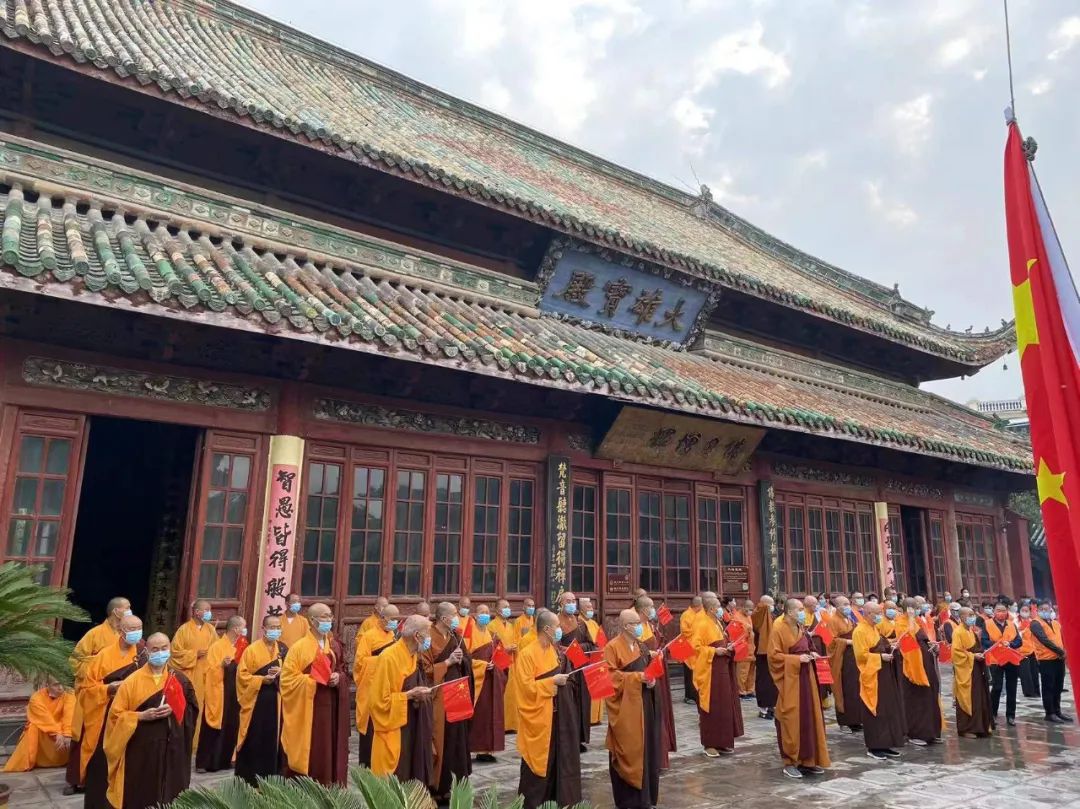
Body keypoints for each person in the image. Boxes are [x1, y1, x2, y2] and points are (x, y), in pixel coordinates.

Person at [102, 632, 198, 809]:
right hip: (141, 751)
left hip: (172, 750)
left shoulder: (179, 679)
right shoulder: (132, 682)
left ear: (170, 649)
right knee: (141, 794)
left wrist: (175, 709)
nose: (160, 652)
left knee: (171, 795)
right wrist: (141, 716)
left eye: (164, 648)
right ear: (146, 651)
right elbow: (115, 717)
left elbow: (191, 710)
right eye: (155, 649)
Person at [513, 610, 581, 809]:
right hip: (539, 720)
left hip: (559, 719)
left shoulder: (555, 651)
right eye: (557, 627)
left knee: (558, 763)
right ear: (547, 629)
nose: (560, 630)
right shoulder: (527, 654)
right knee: (536, 768)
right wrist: (551, 682)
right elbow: (525, 689)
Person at [63, 596, 130, 795]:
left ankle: (102, 779)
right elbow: (75, 662)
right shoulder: (94, 634)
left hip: (119, 697)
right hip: (94, 696)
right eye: (127, 607)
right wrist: (99, 661)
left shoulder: (127, 637)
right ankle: (77, 779)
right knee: (85, 738)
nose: (130, 610)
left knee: (109, 740)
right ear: (116, 611)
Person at [77, 614, 144, 809]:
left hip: (132, 716)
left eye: (139, 628)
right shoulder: (103, 656)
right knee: (101, 762)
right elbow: (86, 690)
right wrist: (108, 689)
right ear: (121, 631)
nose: (137, 633)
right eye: (132, 629)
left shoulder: (143, 655)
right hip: (105, 716)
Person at [280, 602, 349, 785]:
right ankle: (306, 785)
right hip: (308, 707)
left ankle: (327, 783)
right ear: (312, 620)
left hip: (330, 704)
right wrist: (312, 681)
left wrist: (338, 677)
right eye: (324, 617)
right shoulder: (299, 647)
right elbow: (286, 680)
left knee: (328, 745)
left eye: (330, 616)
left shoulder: (332, 646)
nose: (329, 620)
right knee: (313, 746)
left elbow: (342, 670)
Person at [604, 608, 661, 809]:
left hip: (643, 704)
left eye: (639, 623)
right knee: (628, 749)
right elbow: (609, 677)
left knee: (646, 748)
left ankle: (646, 799)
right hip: (625, 708)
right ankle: (627, 801)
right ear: (625, 626)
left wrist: (651, 681)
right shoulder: (612, 647)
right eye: (635, 624)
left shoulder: (641, 646)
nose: (639, 627)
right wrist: (637, 678)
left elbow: (647, 670)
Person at [768, 598, 830, 779]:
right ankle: (790, 762)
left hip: (806, 677)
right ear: (789, 612)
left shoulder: (799, 626)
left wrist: (812, 653)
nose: (803, 612)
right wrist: (796, 659)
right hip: (790, 680)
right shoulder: (778, 628)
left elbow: (805, 646)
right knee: (791, 717)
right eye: (800, 609)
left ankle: (808, 760)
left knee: (809, 716)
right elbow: (773, 657)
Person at [368, 615, 434, 781]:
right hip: (395, 726)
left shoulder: (413, 655)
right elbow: (378, 702)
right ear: (417, 636)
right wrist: (409, 695)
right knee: (397, 776)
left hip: (413, 722)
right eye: (427, 633)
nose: (429, 638)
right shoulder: (389, 657)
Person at [423, 601, 475, 803]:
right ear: (444, 618)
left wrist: (462, 660)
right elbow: (424, 671)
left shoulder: (455, 636)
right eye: (454, 615)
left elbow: (468, 663)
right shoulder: (428, 637)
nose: (457, 618)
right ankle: (439, 786)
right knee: (441, 739)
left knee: (457, 739)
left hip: (458, 693)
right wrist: (447, 662)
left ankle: (456, 784)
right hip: (440, 699)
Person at [234, 613, 288, 785]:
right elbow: (242, 677)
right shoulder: (252, 650)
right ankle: (250, 779)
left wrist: (281, 673)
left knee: (274, 740)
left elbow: (291, 673)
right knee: (255, 739)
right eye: (272, 627)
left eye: (278, 627)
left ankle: (272, 779)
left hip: (277, 701)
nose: (275, 630)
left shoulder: (283, 649)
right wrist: (261, 680)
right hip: (256, 702)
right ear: (263, 629)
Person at [691, 595, 744, 757]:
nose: (720, 609)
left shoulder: (717, 623)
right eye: (718, 606)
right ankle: (709, 744)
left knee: (724, 705)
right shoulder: (702, 624)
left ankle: (722, 742)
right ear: (711, 609)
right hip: (710, 671)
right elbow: (695, 648)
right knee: (712, 706)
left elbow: (721, 641)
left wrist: (729, 646)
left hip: (722, 669)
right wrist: (714, 651)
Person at [852, 603, 905, 760]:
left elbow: (880, 646)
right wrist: (880, 657)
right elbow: (861, 656)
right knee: (875, 710)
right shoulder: (860, 631)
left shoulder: (874, 628)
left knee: (887, 709)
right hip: (872, 675)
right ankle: (874, 747)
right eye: (877, 613)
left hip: (884, 674)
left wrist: (892, 646)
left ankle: (886, 744)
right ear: (867, 613)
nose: (880, 616)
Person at [195, 614, 246, 773]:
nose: (245, 630)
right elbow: (208, 671)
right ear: (236, 629)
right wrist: (221, 665)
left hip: (234, 692)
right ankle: (205, 762)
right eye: (243, 627)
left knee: (231, 724)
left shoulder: (242, 645)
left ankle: (225, 760)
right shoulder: (217, 647)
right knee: (213, 727)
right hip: (219, 691)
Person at [353, 603, 400, 767]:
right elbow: (360, 663)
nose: (394, 622)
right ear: (383, 618)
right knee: (370, 727)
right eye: (392, 619)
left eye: (397, 619)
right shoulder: (369, 636)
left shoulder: (393, 635)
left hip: (388, 687)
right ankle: (366, 764)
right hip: (371, 687)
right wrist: (382, 659)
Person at [634, 594, 677, 767]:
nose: (654, 610)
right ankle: (649, 757)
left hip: (657, 670)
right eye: (651, 607)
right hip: (644, 673)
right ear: (644, 610)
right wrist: (648, 653)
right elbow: (632, 651)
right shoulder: (636, 627)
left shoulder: (650, 625)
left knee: (659, 711)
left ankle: (660, 754)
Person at [896, 598, 942, 745]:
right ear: (908, 608)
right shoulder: (901, 623)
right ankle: (916, 734)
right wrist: (910, 619)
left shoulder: (916, 622)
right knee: (916, 700)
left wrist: (932, 646)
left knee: (929, 697)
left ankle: (931, 733)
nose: (918, 610)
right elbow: (907, 645)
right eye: (915, 607)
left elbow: (923, 641)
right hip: (913, 669)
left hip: (926, 665)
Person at [3, 677, 74, 772]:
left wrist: (67, 733)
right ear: (47, 685)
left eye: (62, 684)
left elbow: (70, 715)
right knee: (33, 727)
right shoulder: (36, 698)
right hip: (49, 734)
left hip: (64, 736)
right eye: (56, 685)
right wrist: (57, 732)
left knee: (76, 725)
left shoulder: (69, 694)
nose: (60, 688)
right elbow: (45, 719)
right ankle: (31, 760)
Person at [555, 591, 596, 749]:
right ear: (561, 603)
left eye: (573, 601)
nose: (572, 604)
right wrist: (564, 651)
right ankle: (566, 740)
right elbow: (554, 645)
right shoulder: (556, 622)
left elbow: (590, 645)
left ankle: (579, 739)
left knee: (582, 702)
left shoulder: (580, 623)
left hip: (580, 667)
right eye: (568, 601)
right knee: (568, 704)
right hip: (565, 668)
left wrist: (575, 649)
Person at [468, 604, 507, 763]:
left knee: (491, 714)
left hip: (491, 680)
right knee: (479, 716)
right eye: (481, 612)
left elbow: (501, 658)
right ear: (475, 615)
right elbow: (465, 659)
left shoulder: (492, 635)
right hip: (477, 681)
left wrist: (496, 666)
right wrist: (482, 665)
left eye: (487, 612)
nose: (485, 615)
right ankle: (476, 748)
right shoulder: (469, 634)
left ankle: (487, 750)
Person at [170, 599, 217, 728]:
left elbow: (217, 651)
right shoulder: (183, 630)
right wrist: (194, 654)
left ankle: (197, 740)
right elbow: (174, 653)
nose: (209, 613)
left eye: (210, 610)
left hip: (205, 676)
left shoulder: (211, 630)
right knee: (186, 708)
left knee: (201, 709)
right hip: (188, 676)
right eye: (206, 610)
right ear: (197, 612)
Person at [952, 607, 993, 737]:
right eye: (969, 615)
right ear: (962, 617)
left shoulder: (971, 631)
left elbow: (976, 648)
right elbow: (956, 653)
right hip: (967, 670)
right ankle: (966, 729)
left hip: (976, 669)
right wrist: (973, 656)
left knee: (978, 698)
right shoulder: (958, 632)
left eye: (973, 615)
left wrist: (981, 653)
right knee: (968, 698)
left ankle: (980, 727)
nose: (972, 618)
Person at [826, 595, 863, 733]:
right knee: (843, 688)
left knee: (854, 689)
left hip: (852, 659)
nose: (847, 607)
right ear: (837, 606)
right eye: (844, 604)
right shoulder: (832, 621)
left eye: (848, 604)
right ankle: (844, 722)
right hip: (841, 660)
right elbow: (830, 642)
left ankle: (855, 720)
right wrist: (847, 642)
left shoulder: (849, 619)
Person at [983, 601, 1023, 728]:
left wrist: (1010, 644)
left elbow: (1019, 641)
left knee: (1012, 687)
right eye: (998, 610)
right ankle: (992, 714)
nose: (1001, 613)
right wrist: (998, 644)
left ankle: (1010, 715)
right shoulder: (987, 624)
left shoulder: (1011, 624)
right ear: (994, 612)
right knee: (997, 687)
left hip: (1011, 658)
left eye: (1003, 610)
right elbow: (984, 641)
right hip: (996, 659)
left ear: (1007, 612)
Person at [1030, 601, 1071, 723]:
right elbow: (1044, 640)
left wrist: (1065, 650)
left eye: (1047, 609)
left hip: (1058, 659)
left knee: (1058, 686)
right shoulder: (1035, 624)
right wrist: (1060, 651)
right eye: (1042, 609)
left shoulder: (1055, 623)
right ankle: (1050, 713)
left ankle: (1057, 711)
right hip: (1046, 660)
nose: (1045, 611)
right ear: (1037, 610)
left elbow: (1063, 638)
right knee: (1048, 686)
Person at [505, 597, 537, 734]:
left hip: (535, 658)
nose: (531, 608)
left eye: (533, 605)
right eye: (529, 605)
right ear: (523, 607)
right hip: (521, 658)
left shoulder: (534, 620)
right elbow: (516, 641)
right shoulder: (518, 621)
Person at [751, 595, 778, 719]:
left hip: (771, 651)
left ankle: (771, 705)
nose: (772, 607)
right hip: (762, 653)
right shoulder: (759, 614)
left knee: (772, 681)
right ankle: (763, 708)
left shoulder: (770, 616)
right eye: (770, 604)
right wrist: (764, 608)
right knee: (764, 680)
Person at [581, 597, 605, 727]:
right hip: (589, 659)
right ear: (581, 609)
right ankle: (590, 717)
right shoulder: (580, 623)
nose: (591, 610)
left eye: (591, 607)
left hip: (598, 657)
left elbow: (600, 638)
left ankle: (597, 717)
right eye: (588, 607)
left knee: (599, 689)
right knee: (590, 690)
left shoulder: (594, 623)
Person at [679, 596, 704, 704]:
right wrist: (698, 630)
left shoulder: (700, 614)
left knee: (697, 673)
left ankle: (697, 694)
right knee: (689, 673)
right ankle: (689, 696)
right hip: (688, 648)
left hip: (697, 648)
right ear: (698, 605)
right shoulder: (686, 615)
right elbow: (685, 631)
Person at [731, 600, 756, 700]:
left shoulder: (748, 616)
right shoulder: (736, 617)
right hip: (743, 649)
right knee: (742, 672)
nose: (750, 611)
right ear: (744, 607)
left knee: (751, 672)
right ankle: (741, 691)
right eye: (749, 609)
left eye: (752, 609)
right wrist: (747, 630)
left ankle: (750, 690)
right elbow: (735, 633)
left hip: (751, 648)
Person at [1017, 603, 1040, 699]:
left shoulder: (1033, 622)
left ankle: (1036, 691)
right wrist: (1020, 630)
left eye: (1027, 610)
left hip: (1033, 650)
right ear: (1019, 611)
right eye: (1023, 610)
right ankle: (1028, 692)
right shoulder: (1015, 622)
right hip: (1021, 651)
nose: (1025, 612)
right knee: (1025, 673)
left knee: (1034, 672)